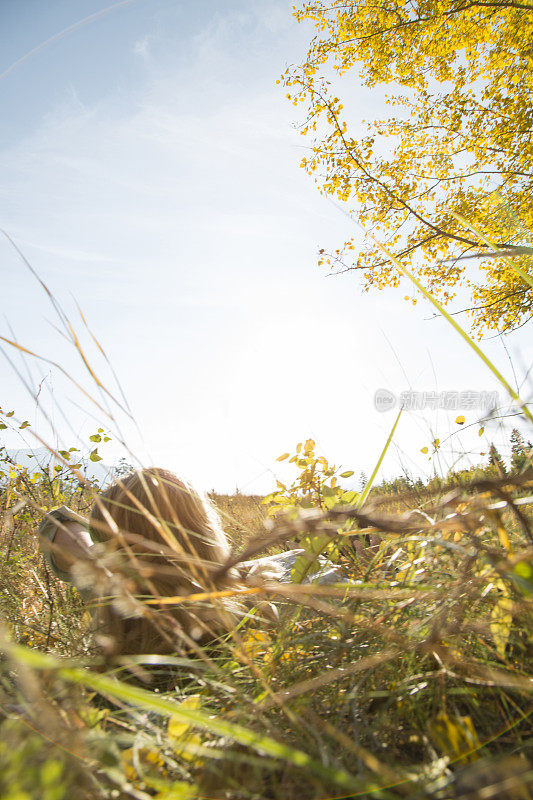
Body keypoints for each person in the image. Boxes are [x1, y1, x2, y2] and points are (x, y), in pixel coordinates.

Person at [39, 468, 283, 657]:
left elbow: (55, 521)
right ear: (206, 534)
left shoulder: (109, 594)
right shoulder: (257, 610)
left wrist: (93, 560)